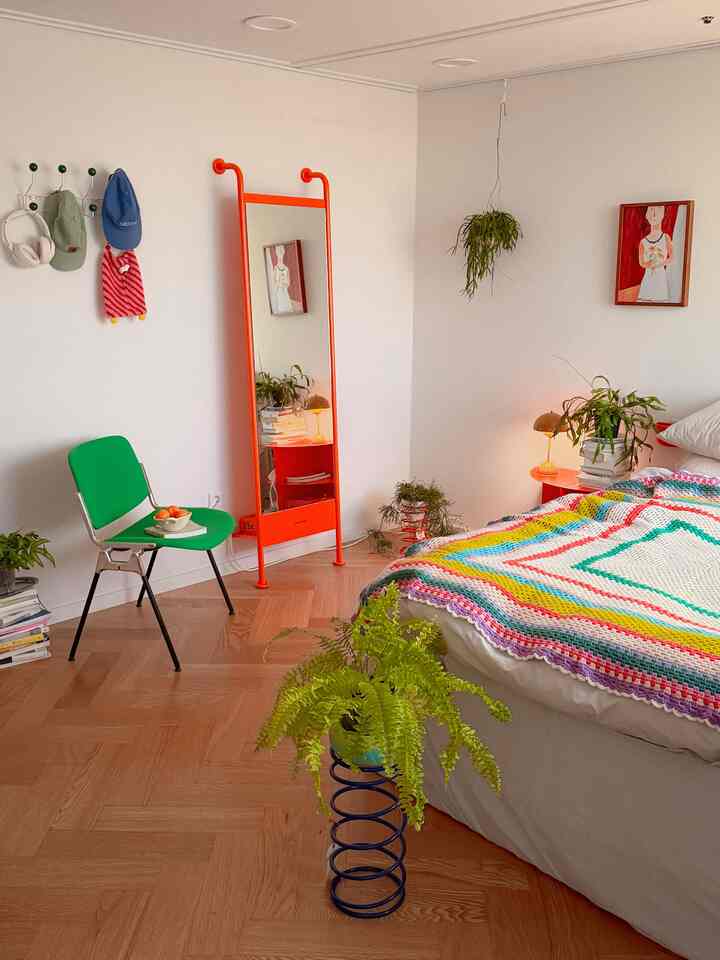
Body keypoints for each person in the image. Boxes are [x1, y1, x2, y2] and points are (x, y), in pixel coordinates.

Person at [637, 205, 672, 302]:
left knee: (660, 301)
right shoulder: (643, 242)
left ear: (662, 215)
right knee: (644, 300)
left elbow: (671, 257)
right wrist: (649, 264)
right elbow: (641, 262)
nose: (654, 216)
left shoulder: (665, 238)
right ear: (647, 216)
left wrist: (658, 264)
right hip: (648, 277)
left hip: (660, 277)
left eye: (657, 213)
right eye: (651, 213)